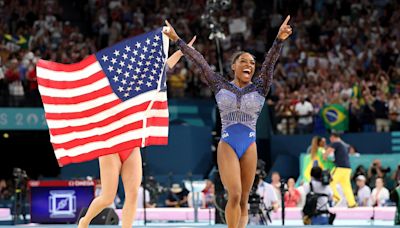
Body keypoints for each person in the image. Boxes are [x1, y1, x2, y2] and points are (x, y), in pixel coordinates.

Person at [162, 16, 292, 228]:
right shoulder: (220, 84)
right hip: (228, 144)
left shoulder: (261, 86)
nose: (249, 65)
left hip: (250, 145)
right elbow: (200, 62)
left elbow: (270, 62)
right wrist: (177, 40)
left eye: (252, 62)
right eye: (244, 61)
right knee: (235, 194)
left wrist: (278, 40)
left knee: (244, 199)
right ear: (234, 66)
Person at [78, 38, 196, 228]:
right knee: (108, 197)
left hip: (131, 146)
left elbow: (163, 69)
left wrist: (181, 51)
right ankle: (84, 222)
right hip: (111, 147)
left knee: (133, 195)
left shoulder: (140, 86)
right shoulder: (106, 87)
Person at [326, 133, 357, 208]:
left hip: (340, 168)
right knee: (346, 186)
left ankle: (336, 198)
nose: (331, 141)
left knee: (331, 182)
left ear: (333, 137)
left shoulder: (336, 143)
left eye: (331, 139)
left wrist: (324, 156)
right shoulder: (345, 145)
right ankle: (352, 203)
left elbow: (328, 152)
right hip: (347, 168)